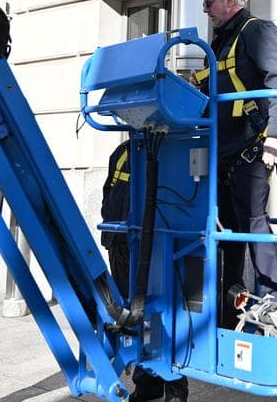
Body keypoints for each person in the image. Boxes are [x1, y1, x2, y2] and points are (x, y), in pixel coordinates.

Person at [193, 0, 277, 318]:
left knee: (253, 221)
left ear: (230, 0)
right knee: (226, 228)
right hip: (222, 151)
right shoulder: (219, 43)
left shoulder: (257, 31)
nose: (205, 9)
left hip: (251, 148)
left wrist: (276, 136)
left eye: (209, 2)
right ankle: (229, 301)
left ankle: (273, 303)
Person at [100, 140, 188, 402]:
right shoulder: (123, 150)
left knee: (164, 315)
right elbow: (109, 192)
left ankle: (174, 385)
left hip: (155, 247)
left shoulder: (170, 147)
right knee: (132, 314)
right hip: (120, 241)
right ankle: (147, 383)